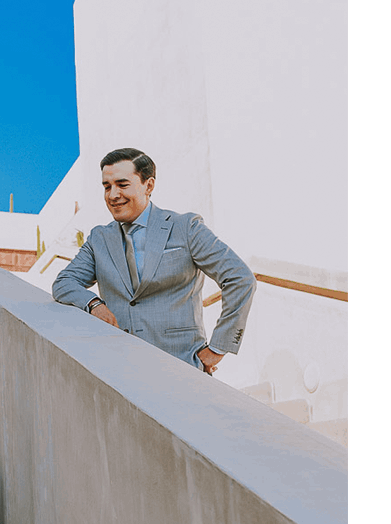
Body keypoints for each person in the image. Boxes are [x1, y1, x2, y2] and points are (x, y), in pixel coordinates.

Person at [51, 148, 255, 374]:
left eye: (122, 184)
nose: (112, 195)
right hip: (119, 371)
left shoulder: (186, 228)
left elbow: (240, 278)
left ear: (148, 185)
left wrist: (218, 348)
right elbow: (64, 283)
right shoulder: (99, 238)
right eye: (107, 187)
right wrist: (94, 305)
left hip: (181, 368)